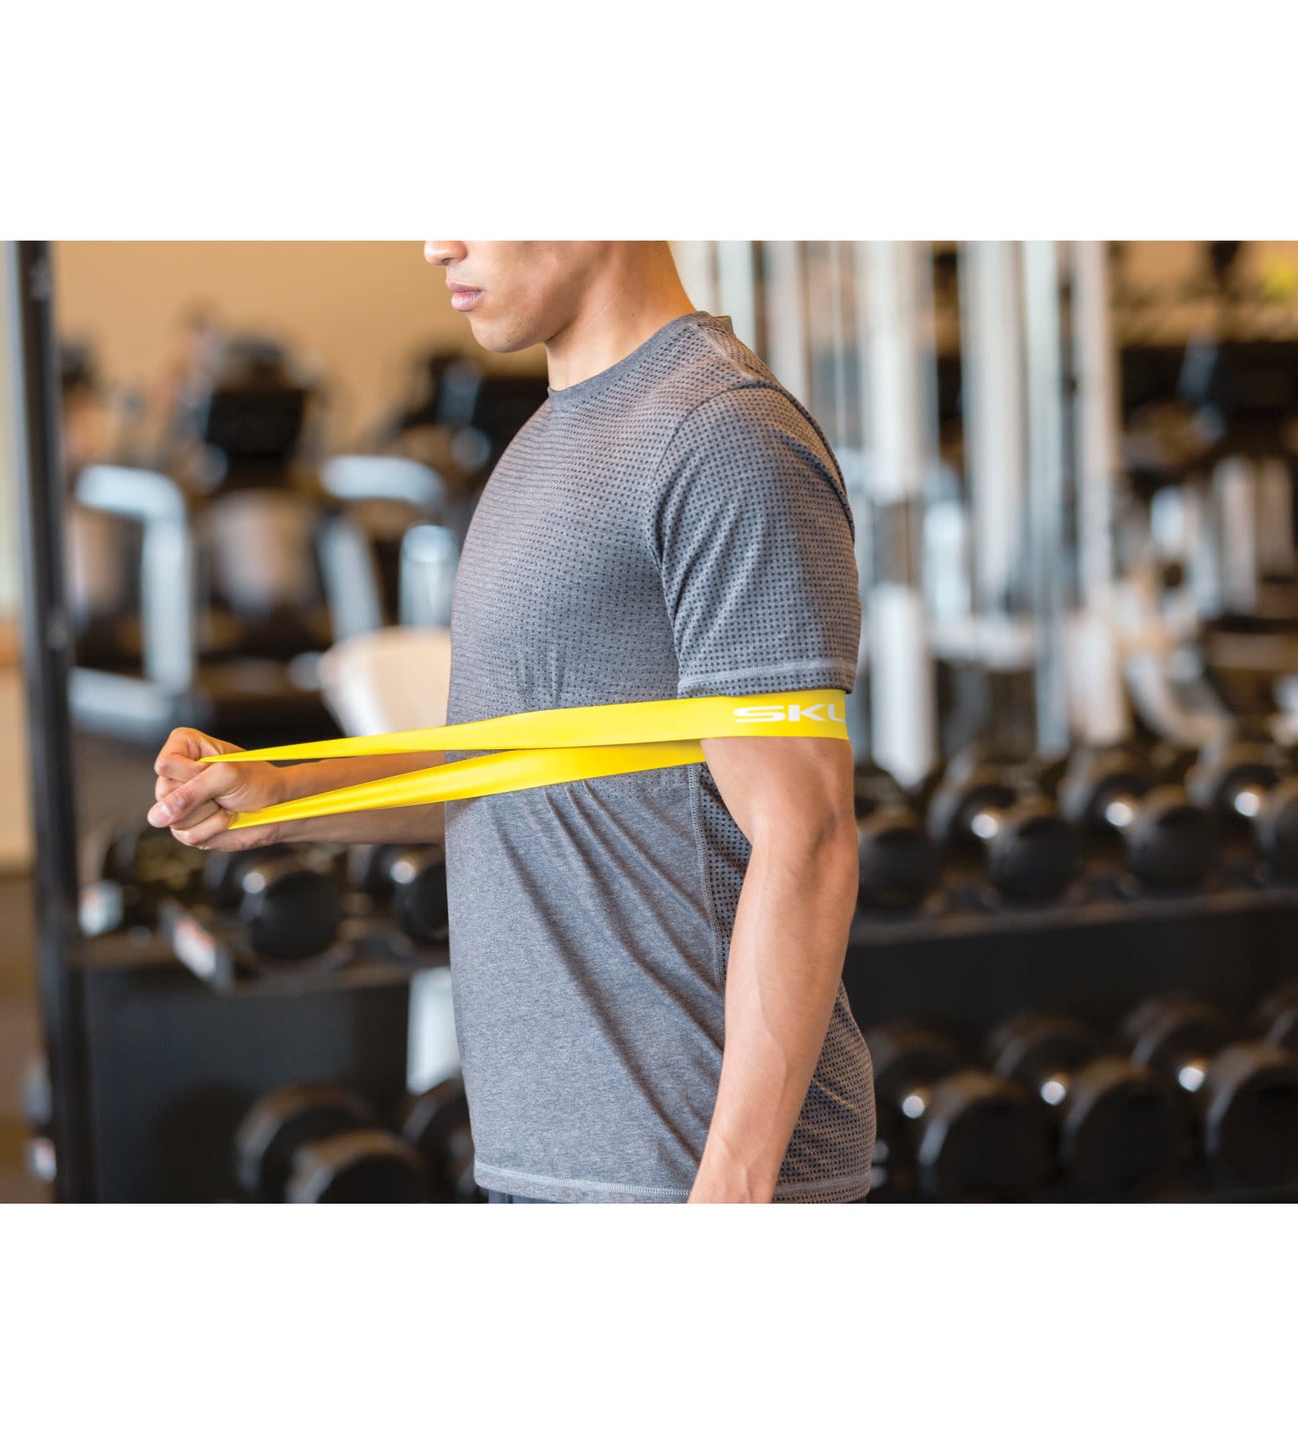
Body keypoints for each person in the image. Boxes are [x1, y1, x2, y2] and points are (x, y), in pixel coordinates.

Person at [147, 242, 874, 1203]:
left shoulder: (721, 434)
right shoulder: (545, 440)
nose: (437, 241)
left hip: (689, 1162)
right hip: (552, 1153)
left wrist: (729, 1195)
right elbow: (520, 766)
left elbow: (809, 835)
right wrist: (279, 795)